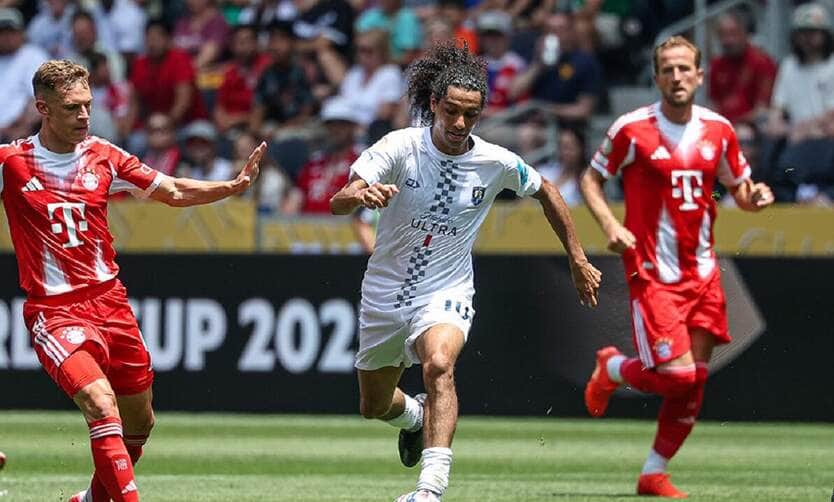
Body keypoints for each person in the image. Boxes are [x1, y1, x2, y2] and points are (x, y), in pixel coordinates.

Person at [329, 42, 601, 502]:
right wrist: (360, 195)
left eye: (470, 115)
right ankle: (415, 418)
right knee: (373, 405)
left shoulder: (494, 162)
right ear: (433, 103)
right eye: (451, 110)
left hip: (446, 288)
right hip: (385, 291)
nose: (459, 124)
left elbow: (548, 191)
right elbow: (340, 200)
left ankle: (430, 490)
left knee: (440, 364)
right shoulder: (400, 146)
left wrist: (576, 257)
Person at [0, 59, 265, 502]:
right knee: (101, 407)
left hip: (112, 304)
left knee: (139, 423)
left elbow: (172, 190)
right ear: (42, 109)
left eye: (87, 105)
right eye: (72, 108)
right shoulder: (11, 162)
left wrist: (230, 187)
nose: (85, 116)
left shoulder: (104, 155)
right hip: (55, 310)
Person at [579, 36, 774, 498]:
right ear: (656, 77)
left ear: (700, 75)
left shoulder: (720, 130)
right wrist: (609, 222)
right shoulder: (632, 128)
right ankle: (613, 369)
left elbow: (741, 190)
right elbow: (590, 178)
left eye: (685, 68)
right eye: (668, 69)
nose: (677, 77)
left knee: (693, 382)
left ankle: (653, 472)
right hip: (652, 272)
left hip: (703, 274)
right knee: (679, 377)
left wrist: (756, 198)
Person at [285, 96, 361, 213]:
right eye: (331, 124)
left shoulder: (362, 162)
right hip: (306, 228)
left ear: (352, 127)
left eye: (342, 124)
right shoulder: (314, 163)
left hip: (346, 228)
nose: (336, 129)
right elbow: (295, 199)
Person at [707, 9, 777, 124]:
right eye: (723, 35)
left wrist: (734, 123)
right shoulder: (716, 65)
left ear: (746, 34)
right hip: (723, 126)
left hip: (753, 127)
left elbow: (763, 109)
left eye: (733, 34)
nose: (728, 41)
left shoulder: (762, 62)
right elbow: (713, 104)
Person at [0, 7, 49, 143]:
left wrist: (20, 126)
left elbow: (42, 98)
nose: (7, 37)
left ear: (21, 32)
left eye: (11, 31)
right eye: (2, 32)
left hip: (20, 134)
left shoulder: (33, 56)